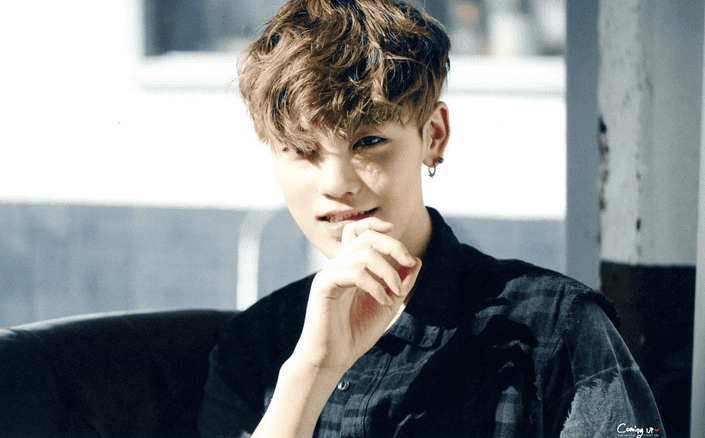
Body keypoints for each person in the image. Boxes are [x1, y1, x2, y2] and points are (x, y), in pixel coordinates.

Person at [197, 0, 665, 436]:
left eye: (368, 141)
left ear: (433, 136)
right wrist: (312, 372)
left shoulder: (558, 325)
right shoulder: (251, 346)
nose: (337, 183)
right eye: (303, 150)